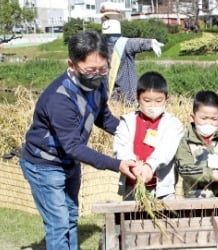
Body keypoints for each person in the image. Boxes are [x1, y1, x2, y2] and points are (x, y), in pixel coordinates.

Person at [19, 31, 138, 250]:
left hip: (69, 164)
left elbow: (103, 117)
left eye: (103, 69)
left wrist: (132, 133)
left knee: (71, 217)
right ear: (72, 65)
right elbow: (73, 146)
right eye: (90, 70)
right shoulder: (60, 99)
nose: (97, 74)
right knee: (58, 224)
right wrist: (117, 165)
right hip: (44, 165)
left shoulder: (98, 83)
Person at [113, 71, 184, 199]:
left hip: (162, 191)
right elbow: (120, 146)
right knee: (131, 219)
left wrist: (150, 166)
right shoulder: (127, 122)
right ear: (137, 98)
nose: (152, 106)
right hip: (132, 187)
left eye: (158, 101)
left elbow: (166, 150)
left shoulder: (173, 124)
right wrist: (132, 164)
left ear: (166, 99)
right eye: (147, 100)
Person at [100, 2, 164, 104]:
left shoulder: (124, 43)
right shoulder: (101, 45)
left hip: (128, 97)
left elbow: (136, 43)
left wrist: (150, 43)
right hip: (111, 96)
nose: (107, 23)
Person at [176, 90, 218, 198]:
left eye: (213, 119)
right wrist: (210, 175)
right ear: (192, 117)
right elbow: (185, 169)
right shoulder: (186, 141)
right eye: (204, 118)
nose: (208, 123)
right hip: (195, 202)